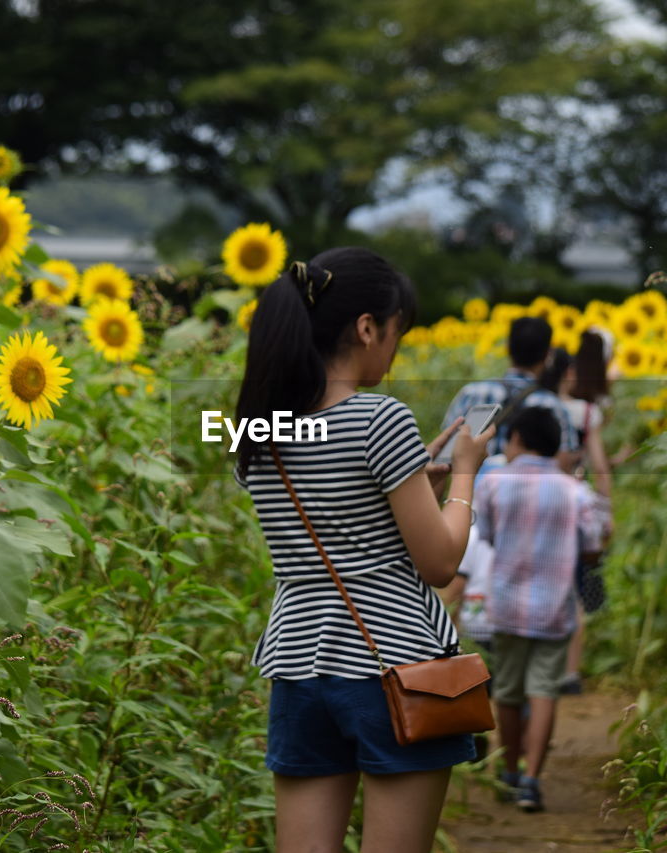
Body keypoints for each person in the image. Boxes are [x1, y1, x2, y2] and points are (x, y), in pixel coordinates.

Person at [234, 247, 495, 853]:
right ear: (367, 327)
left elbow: (336, 511)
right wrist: (463, 474)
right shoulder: (382, 420)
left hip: (298, 666)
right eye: (396, 332)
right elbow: (438, 564)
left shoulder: (258, 428)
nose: (395, 349)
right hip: (395, 667)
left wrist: (412, 477)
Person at [475, 406, 582, 813]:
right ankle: (532, 781)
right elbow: (592, 542)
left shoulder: (495, 482)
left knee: (506, 690)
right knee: (544, 692)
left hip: (506, 603)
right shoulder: (572, 489)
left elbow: (483, 534)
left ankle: (507, 772)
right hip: (554, 608)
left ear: (516, 438)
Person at [540, 334, 615, 695]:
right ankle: (569, 674)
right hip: (574, 503)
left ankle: (540, 668)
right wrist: (606, 510)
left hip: (536, 504)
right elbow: (599, 466)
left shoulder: (537, 409)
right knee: (574, 587)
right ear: (567, 373)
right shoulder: (586, 413)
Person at [441, 316, 579, 467]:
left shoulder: (470, 393)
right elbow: (563, 463)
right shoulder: (554, 406)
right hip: (528, 490)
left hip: (470, 489)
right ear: (548, 355)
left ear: (507, 347)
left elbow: (445, 454)